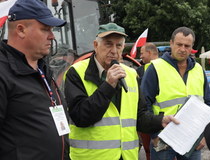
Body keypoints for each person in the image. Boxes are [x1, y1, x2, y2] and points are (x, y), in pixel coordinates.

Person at [64, 22, 179, 160]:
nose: (114, 50)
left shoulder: (131, 74)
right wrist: (108, 85)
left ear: (123, 47)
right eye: (108, 44)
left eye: (118, 45)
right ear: (96, 45)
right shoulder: (76, 72)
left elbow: (140, 117)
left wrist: (160, 121)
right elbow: (80, 117)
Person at [0, 0, 70, 160]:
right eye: (45, 29)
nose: (52, 36)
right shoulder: (3, 72)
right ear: (21, 30)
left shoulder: (43, 70)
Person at [141, 27, 210, 160]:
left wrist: (204, 134)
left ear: (192, 47)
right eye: (179, 44)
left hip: (192, 138)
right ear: (171, 43)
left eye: (187, 46)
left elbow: (209, 103)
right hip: (163, 137)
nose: (182, 49)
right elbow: (143, 104)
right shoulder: (155, 68)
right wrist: (154, 134)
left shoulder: (198, 70)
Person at [136, 42, 159, 160]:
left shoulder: (166, 68)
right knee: (148, 150)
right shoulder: (139, 71)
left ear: (149, 53)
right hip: (146, 118)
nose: (140, 56)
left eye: (142, 53)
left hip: (162, 121)